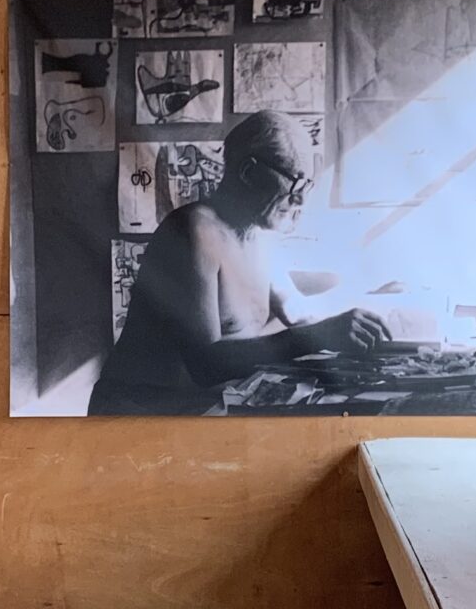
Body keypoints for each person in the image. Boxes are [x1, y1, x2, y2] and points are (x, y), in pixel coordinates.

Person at [90, 110, 389, 415]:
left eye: (307, 187)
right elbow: (206, 365)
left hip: (199, 411)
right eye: (295, 184)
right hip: (137, 415)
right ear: (248, 172)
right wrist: (315, 336)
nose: (300, 201)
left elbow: (296, 313)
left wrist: (362, 318)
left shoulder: (259, 234)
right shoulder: (193, 231)